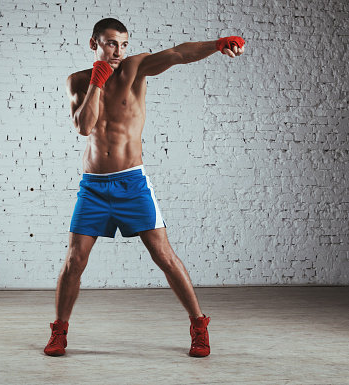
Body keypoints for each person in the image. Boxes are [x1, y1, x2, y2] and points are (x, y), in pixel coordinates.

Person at [44, 18, 245, 357]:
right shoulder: (77, 81)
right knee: (74, 261)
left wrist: (216, 44)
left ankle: (198, 325)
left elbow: (178, 54)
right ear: (94, 44)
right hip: (93, 186)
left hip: (132, 184)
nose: (119, 51)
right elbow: (83, 127)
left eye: (123, 43)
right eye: (111, 43)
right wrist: (97, 81)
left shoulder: (135, 68)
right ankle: (59, 331)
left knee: (164, 256)